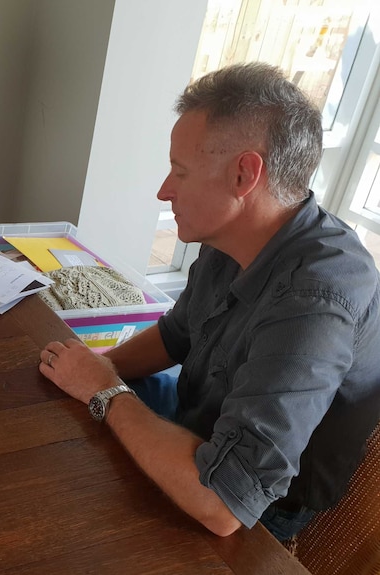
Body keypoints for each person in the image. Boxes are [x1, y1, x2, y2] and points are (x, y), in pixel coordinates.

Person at [39, 62, 380, 541]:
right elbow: (177, 335)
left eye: (180, 171)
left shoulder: (317, 299)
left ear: (244, 174)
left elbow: (223, 502)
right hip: (199, 425)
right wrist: (94, 369)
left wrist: (105, 391)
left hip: (256, 513)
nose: (164, 189)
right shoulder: (233, 236)